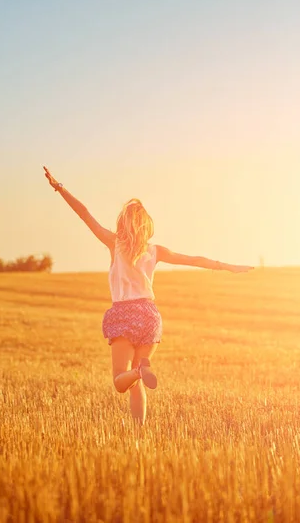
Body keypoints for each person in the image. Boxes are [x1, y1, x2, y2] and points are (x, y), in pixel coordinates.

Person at [43, 166, 253, 425]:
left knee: (122, 380)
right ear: (146, 226)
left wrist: (59, 187)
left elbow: (84, 214)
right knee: (136, 380)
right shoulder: (155, 251)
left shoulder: (114, 243)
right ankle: (138, 431)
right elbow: (193, 259)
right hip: (150, 315)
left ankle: (140, 374)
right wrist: (227, 267)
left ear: (123, 222)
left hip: (123, 314)